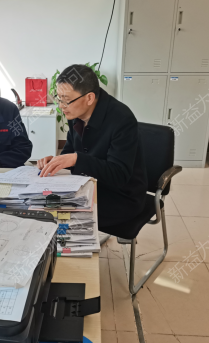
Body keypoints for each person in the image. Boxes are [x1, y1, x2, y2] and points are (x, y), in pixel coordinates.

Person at [37, 65, 147, 234]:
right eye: (58, 98)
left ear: (89, 98)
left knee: (60, 215)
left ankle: (73, 249)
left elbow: (118, 175)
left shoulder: (122, 119)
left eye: (66, 100)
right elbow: (70, 150)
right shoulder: (75, 112)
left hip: (121, 196)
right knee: (42, 204)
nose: (61, 106)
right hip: (88, 184)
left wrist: (76, 159)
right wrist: (57, 161)